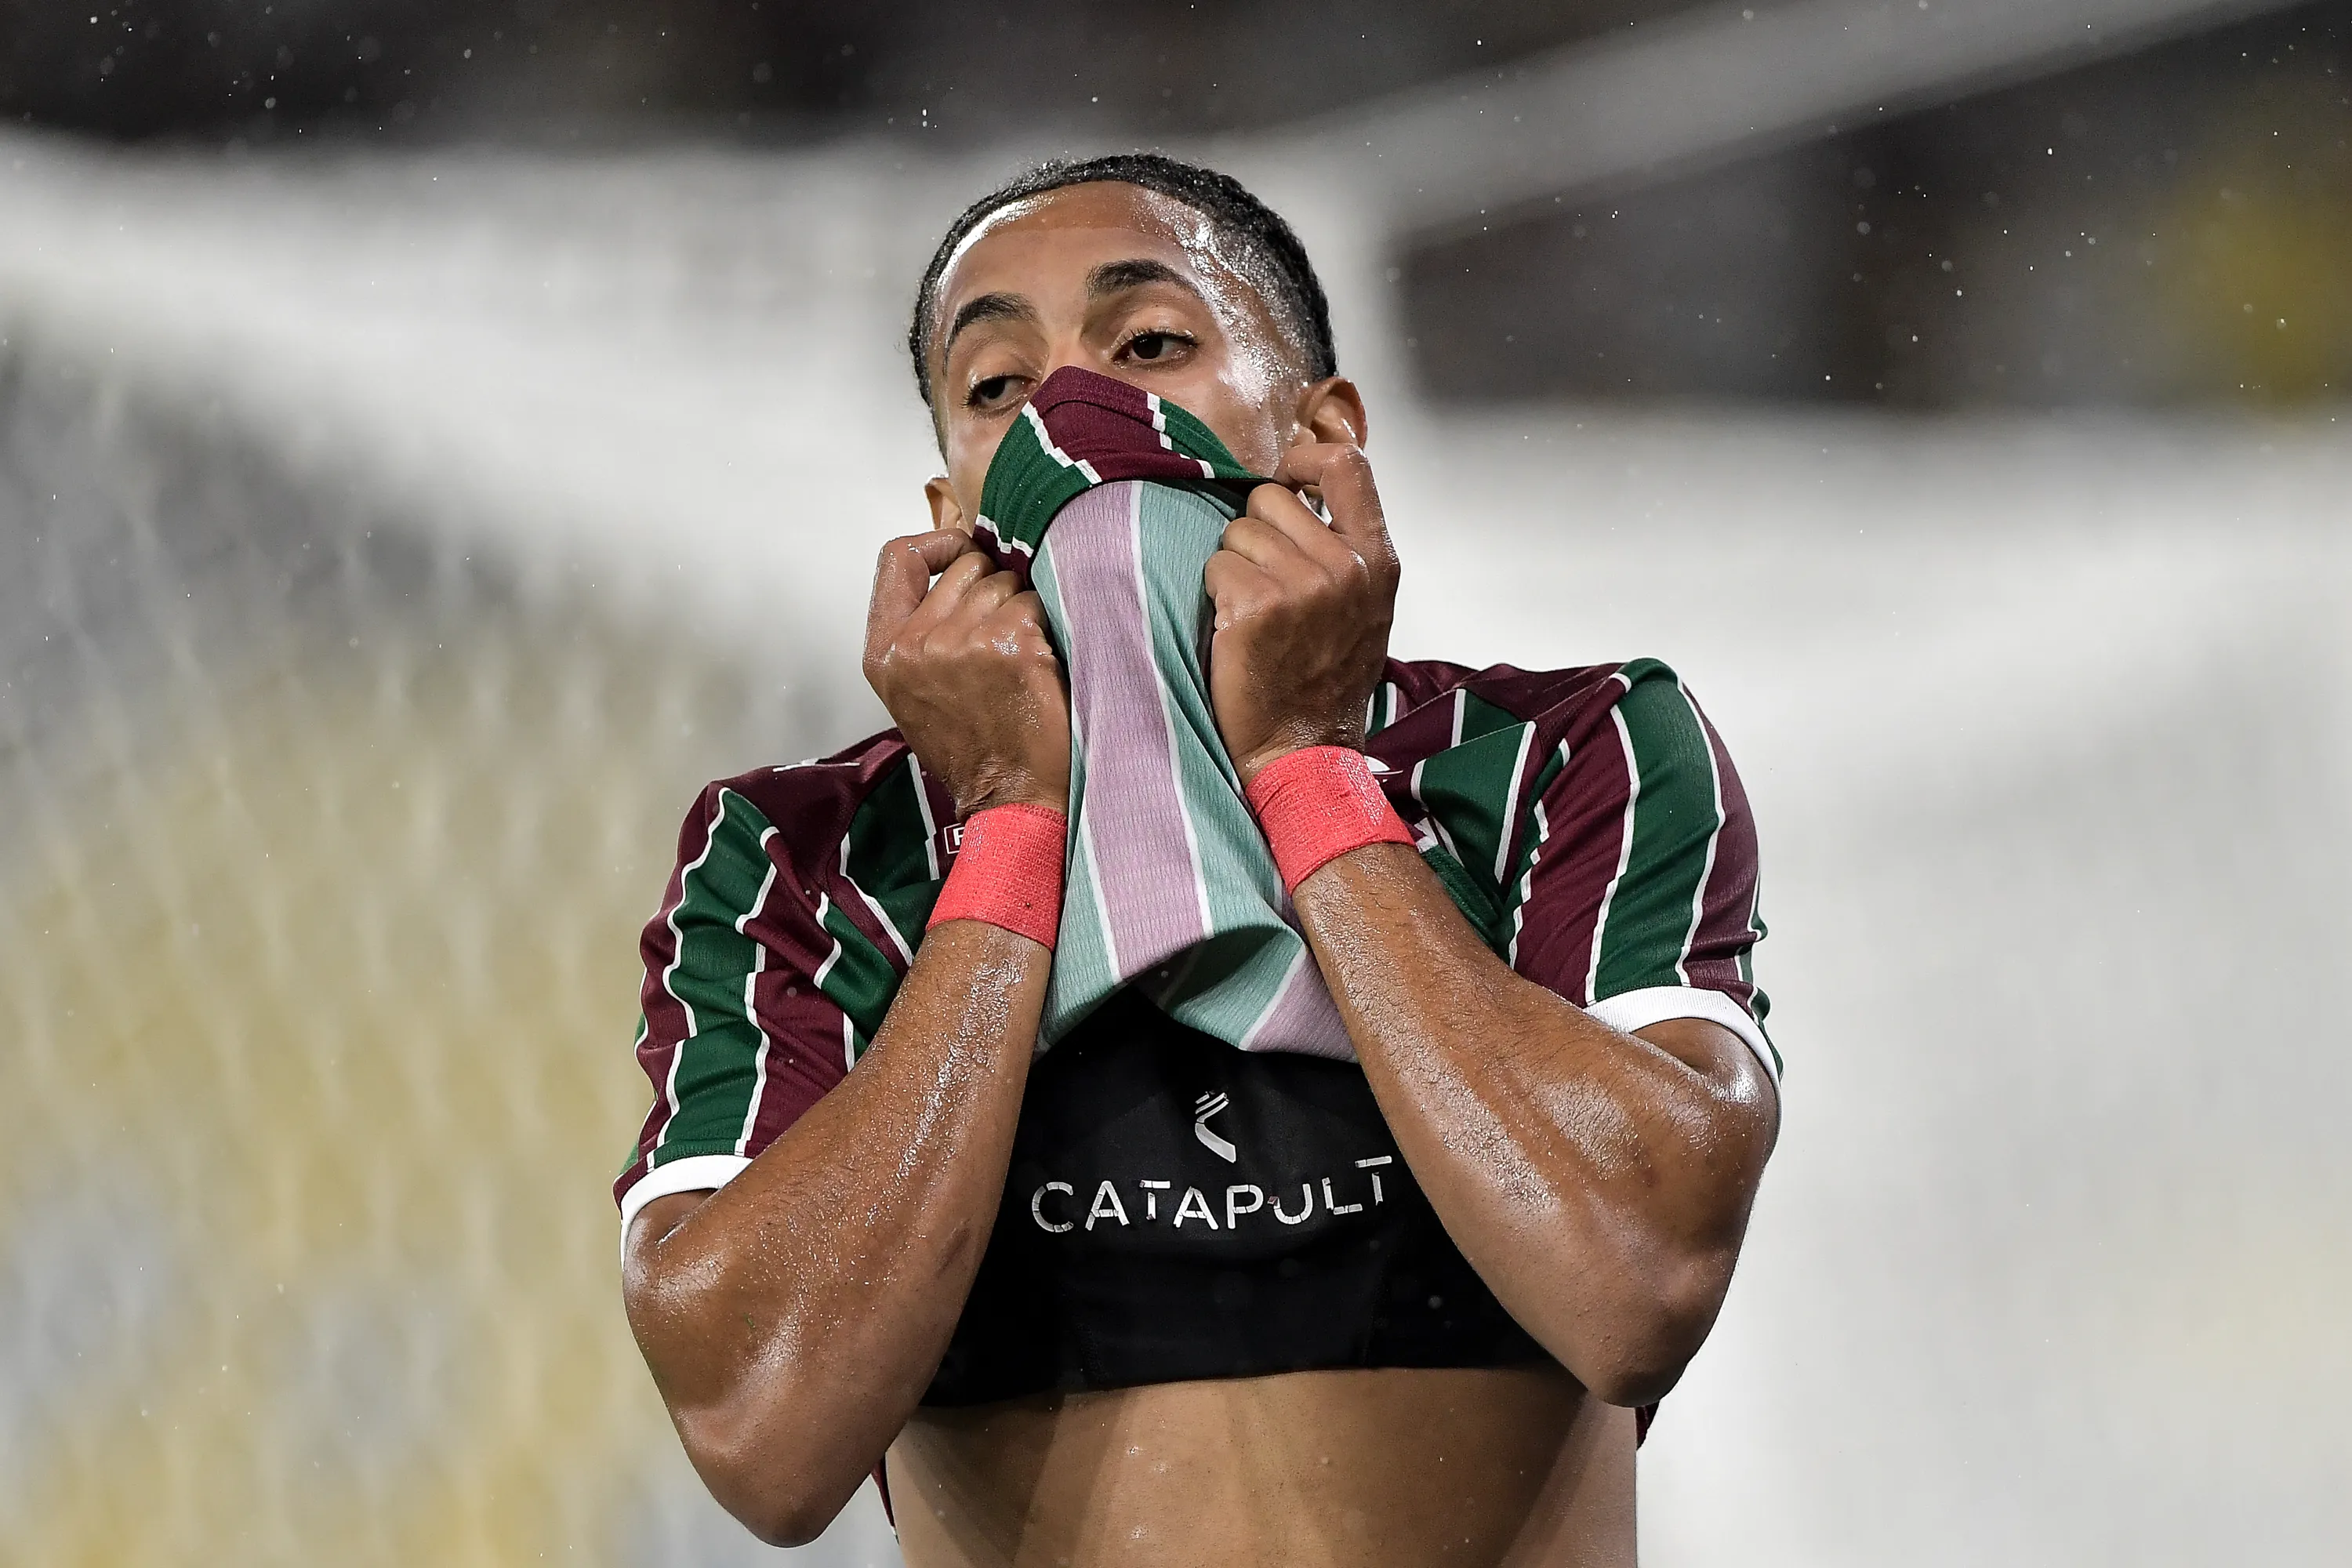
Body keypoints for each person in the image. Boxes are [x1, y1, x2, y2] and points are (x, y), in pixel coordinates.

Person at [616, 153, 1779, 1566]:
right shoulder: (807, 853)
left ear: (1324, 433)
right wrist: (1008, 824)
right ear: (949, 519)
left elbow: (1633, 1282)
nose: (1074, 421)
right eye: (998, 390)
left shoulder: (1567, 755)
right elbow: (766, 1436)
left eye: (1150, 346)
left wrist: (1303, 765)